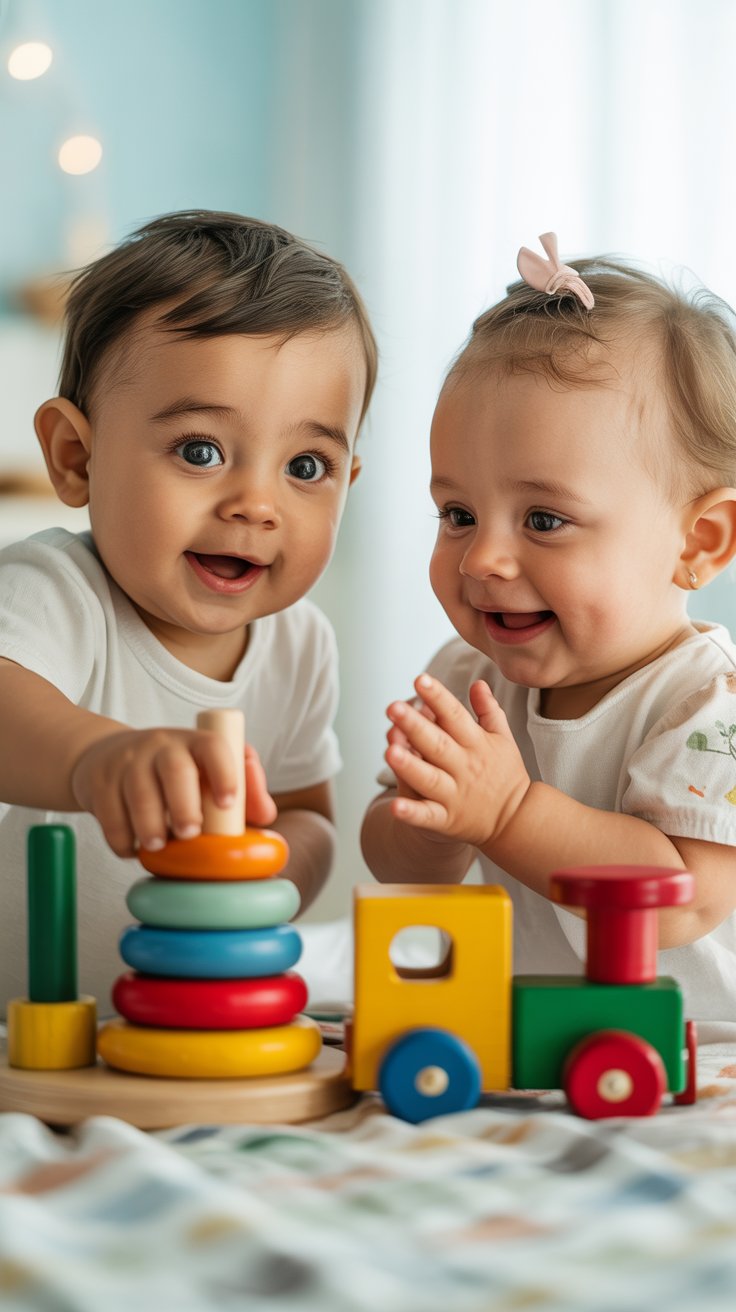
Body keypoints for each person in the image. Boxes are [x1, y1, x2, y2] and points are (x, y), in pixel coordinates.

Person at [0, 209, 377, 1013]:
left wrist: (265, 870)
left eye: (306, 465)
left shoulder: (300, 643)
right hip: (27, 1037)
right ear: (78, 457)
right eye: (200, 451)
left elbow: (309, 815)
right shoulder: (55, 591)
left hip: (180, 1032)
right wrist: (93, 759)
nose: (256, 504)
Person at [361, 232, 736, 1029]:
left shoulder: (709, 704)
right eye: (457, 513)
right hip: (532, 1047)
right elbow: (399, 868)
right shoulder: (468, 676)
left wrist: (507, 814)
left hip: (700, 1063)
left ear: (698, 543)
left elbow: (681, 901)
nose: (485, 557)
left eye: (544, 519)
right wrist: (435, 825)